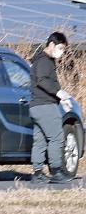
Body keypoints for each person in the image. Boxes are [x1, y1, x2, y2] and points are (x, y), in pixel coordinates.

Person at [30, 32, 73, 184]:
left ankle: (37, 173)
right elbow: (42, 80)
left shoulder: (41, 60)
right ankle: (56, 171)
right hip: (45, 106)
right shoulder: (44, 61)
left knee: (40, 140)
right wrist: (58, 93)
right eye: (60, 48)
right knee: (56, 137)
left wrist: (62, 100)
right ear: (51, 45)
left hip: (36, 106)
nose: (62, 53)